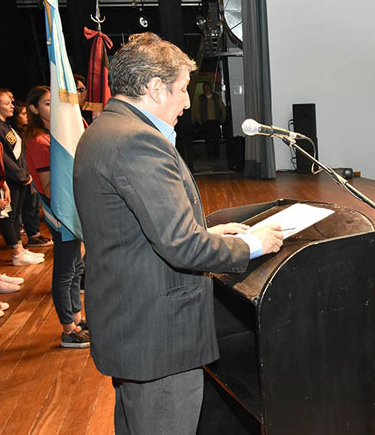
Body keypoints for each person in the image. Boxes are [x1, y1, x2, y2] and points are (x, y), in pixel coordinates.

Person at [73, 33, 285, 434]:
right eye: (183, 90)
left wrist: (205, 229)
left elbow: (133, 226)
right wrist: (252, 243)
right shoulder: (137, 141)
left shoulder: (101, 130)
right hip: (157, 335)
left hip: (128, 322)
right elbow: (182, 246)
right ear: (155, 88)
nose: (188, 103)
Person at [23, 86, 87, 347]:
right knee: (64, 271)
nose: (54, 108)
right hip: (61, 212)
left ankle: (77, 318)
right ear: (34, 109)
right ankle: (67, 329)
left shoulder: (58, 136)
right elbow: (50, 187)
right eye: (47, 104)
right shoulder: (41, 142)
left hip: (73, 209)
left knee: (76, 268)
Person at [0, 89, 44, 266]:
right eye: (7, 103)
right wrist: (21, 175)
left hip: (20, 179)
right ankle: (16, 251)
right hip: (10, 180)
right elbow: (4, 159)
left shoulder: (6, 126)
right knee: (9, 215)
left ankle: (21, 249)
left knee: (16, 215)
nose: (12, 106)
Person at [193, 82, 226, 161]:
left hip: (215, 121)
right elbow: (196, 109)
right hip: (206, 122)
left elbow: (223, 108)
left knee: (216, 140)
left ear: (210, 88)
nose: (206, 89)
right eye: (205, 88)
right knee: (208, 140)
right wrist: (198, 119)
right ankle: (210, 156)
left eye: (208, 87)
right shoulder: (201, 98)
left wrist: (223, 117)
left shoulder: (216, 97)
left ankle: (216, 155)